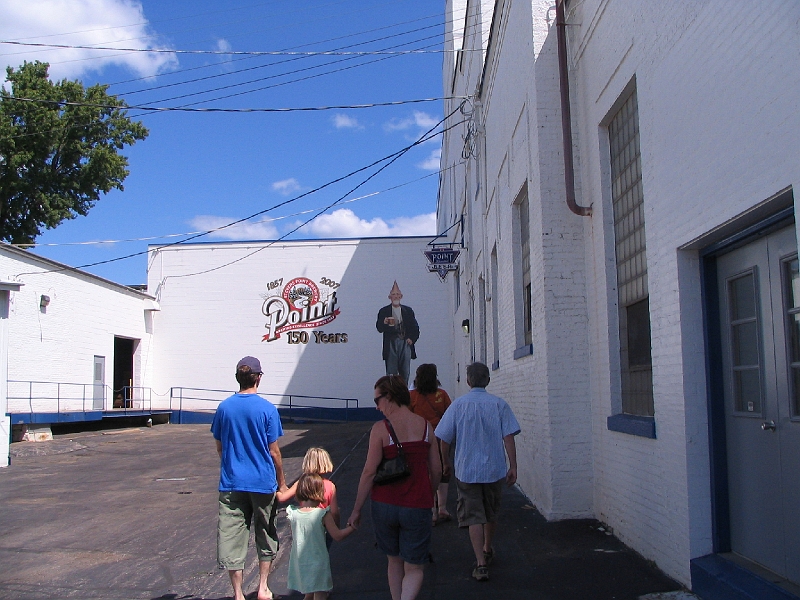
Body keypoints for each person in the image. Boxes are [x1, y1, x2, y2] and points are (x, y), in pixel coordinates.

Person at [348, 374, 441, 600]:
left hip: (385, 505)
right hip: (418, 505)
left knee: (393, 561)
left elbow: (369, 472)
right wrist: (429, 494)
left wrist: (357, 509)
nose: (377, 407)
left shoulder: (381, 429)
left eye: (377, 401)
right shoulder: (426, 427)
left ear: (389, 396)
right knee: (415, 567)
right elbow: (437, 469)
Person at [434, 362, 521, 583]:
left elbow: (444, 438)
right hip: (493, 469)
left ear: (468, 380)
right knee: (490, 512)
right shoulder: (499, 405)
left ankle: (480, 563)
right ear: (488, 380)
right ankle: (487, 547)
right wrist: (513, 466)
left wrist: (446, 462)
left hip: (467, 470)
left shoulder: (458, 406)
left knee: (473, 516)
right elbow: (508, 436)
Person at [211, 356, 289, 600]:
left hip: (232, 482)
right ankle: (263, 587)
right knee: (265, 531)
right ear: (258, 378)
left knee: (233, 535)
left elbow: (219, 446)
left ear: (238, 377)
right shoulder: (267, 409)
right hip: (262, 482)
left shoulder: (224, 408)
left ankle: (237, 593)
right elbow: (274, 451)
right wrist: (282, 482)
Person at [286, 473, 357, 600]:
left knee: (308, 594)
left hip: (300, 562)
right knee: (320, 594)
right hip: (318, 562)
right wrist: (352, 528)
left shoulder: (293, 513)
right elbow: (337, 535)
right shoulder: (322, 514)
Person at [409, 363, 453, 525]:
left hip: (421, 439)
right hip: (441, 439)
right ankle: (442, 508)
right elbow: (450, 416)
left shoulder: (412, 396)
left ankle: (432, 511)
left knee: (426, 473)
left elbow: (407, 418)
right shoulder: (442, 394)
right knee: (442, 471)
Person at [277, 447, 340, 527]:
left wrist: (277, 491)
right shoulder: (330, 485)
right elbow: (334, 512)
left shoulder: (301, 482)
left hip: (307, 525)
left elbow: (282, 498)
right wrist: (336, 526)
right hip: (324, 525)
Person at [376, 281, 420, 384]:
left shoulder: (408, 311)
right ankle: (393, 393)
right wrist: (384, 322)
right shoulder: (384, 311)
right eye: (393, 295)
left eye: (397, 294)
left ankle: (403, 393)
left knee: (405, 372)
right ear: (389, 297)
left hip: (405, 342)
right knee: (391, 373)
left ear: (401, 296)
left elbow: (415, 328)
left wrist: (411, 339)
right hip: (391, 343)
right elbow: (379, 328)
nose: (396, 297)